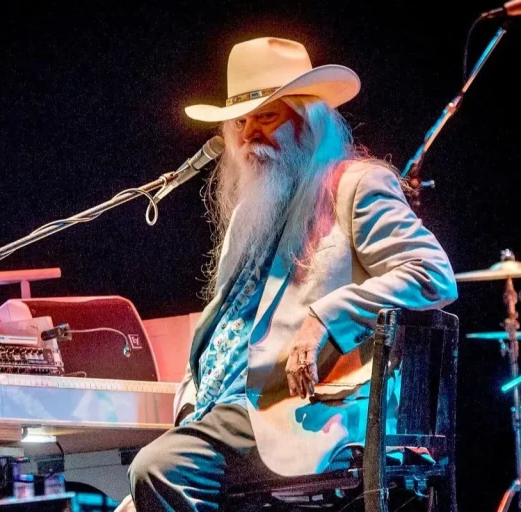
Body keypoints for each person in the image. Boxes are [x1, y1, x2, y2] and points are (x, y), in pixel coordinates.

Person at [120, 36, 459, 511]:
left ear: (308, 120)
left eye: (267, 116)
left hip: (299, 413)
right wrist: (189, 407)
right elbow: (227, 328)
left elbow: (432, 274)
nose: (248, 134)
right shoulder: (248, 215)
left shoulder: (357, 185)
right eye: (240, 121)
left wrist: (324, 319)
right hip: (221, 418)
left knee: (156, 468)